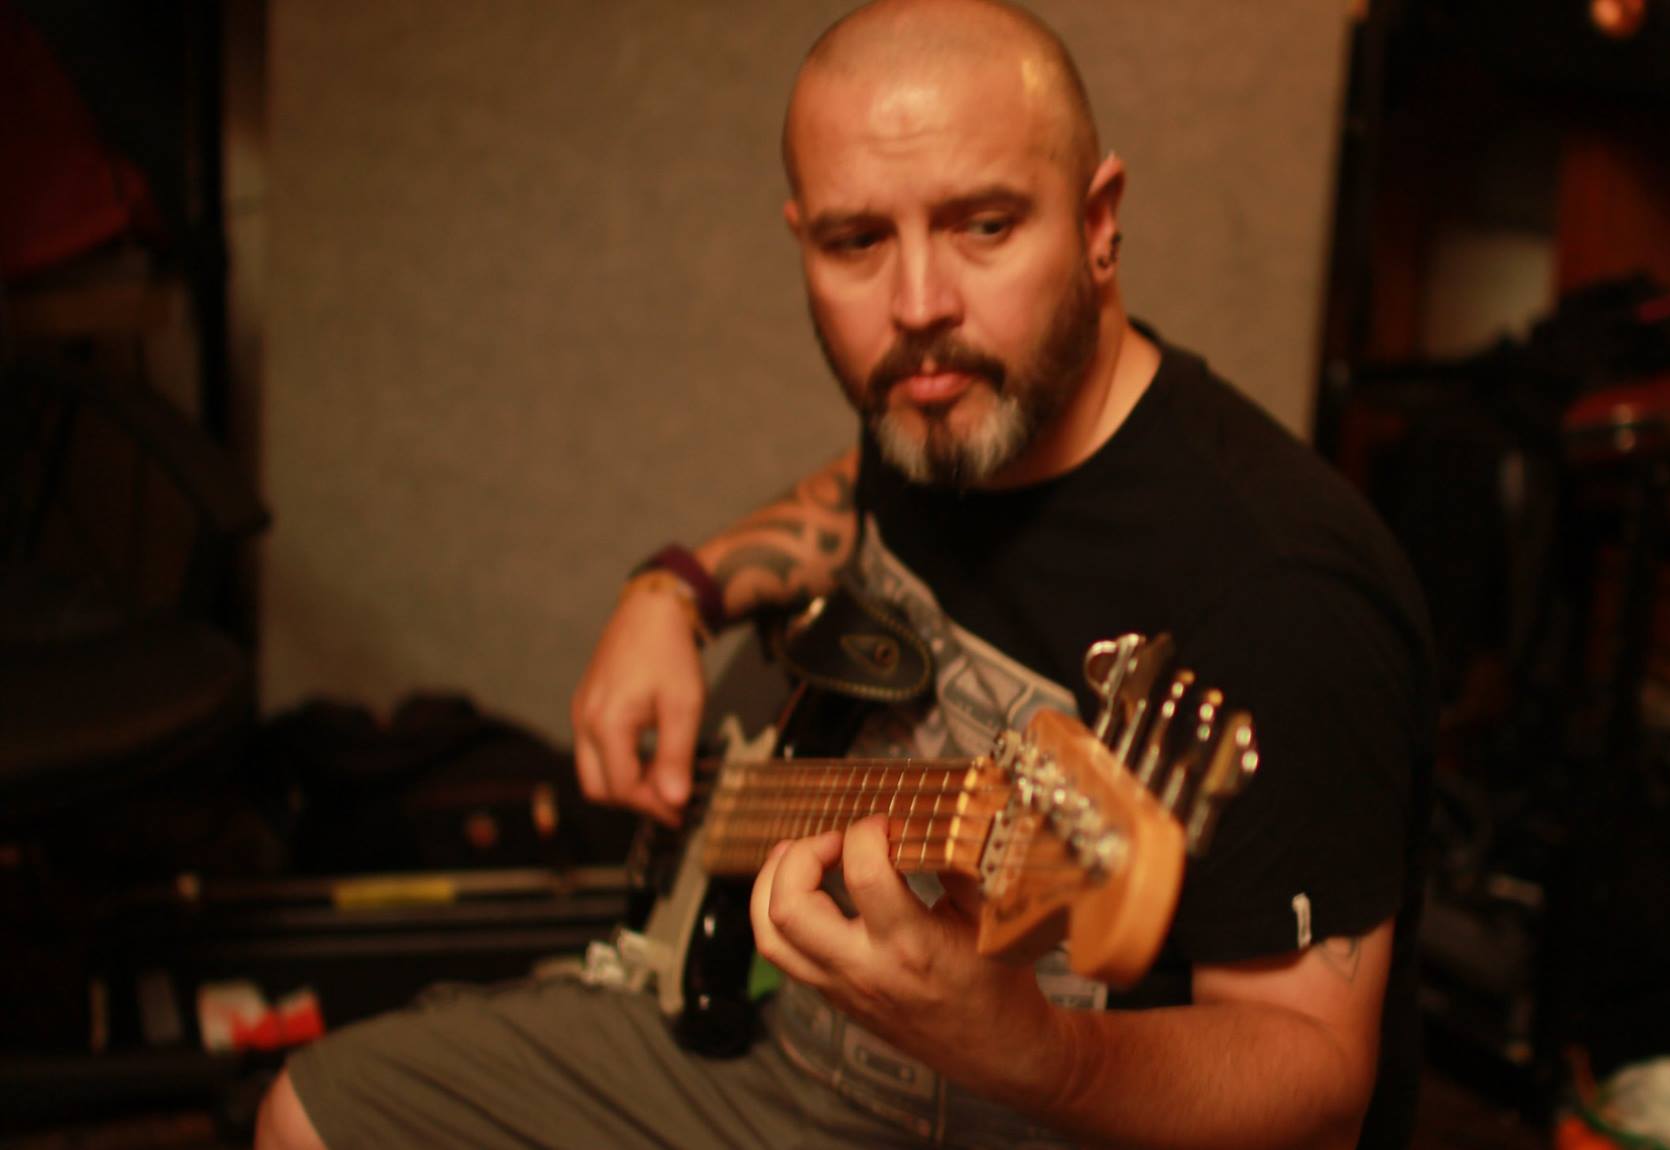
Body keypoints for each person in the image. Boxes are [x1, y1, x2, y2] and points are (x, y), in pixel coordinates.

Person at [256, 1, 1433, 1147]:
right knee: (310, 1115)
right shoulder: (950, 409)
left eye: (984, 225)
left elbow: (1316, 1084)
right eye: (856, 241)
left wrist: (1033, 1049)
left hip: (1036, 1106)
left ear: (1097, 220)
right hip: (780, 1032)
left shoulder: (1283, 588)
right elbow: (852, 493)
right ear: (801, 239)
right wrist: (674, 591)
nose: (917, 307)